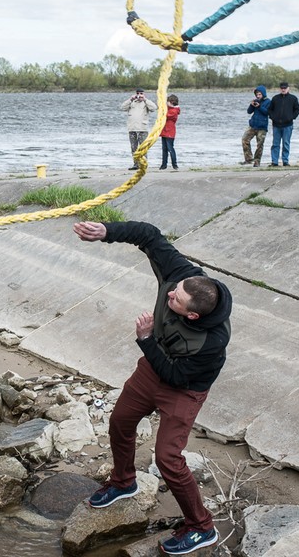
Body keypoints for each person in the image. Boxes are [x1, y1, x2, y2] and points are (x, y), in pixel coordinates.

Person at [73, 219, 232, 556]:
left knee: (168, 459)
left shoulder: (212, 342)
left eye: (176, 298)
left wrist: (146, 339)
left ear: (191, 316)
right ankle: (123, 482)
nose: (169, 292)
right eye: (174, 289)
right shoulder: (182, 275)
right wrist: (106, 232)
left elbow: (174, 376)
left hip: (184, 388)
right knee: (120, 422)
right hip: (151, 370)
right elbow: (149, 235)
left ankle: (202, 527)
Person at [121, 88, 158, 170]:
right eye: (138, 93)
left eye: (141, 93)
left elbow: (154, 108)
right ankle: (136, 164)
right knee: (134, 147)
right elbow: (122, 107)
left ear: (144, 94)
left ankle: (143, 164)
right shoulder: (132, 102)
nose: (139, 95)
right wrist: (130, 99)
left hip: (142, 129)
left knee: (143, 147)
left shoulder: (146, 102)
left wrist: (145, 100)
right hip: (132, 128)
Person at [268, 82, 299, 166]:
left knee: (286, 144)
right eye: (282, 88)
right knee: (275, 144)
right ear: (280, 89)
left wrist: (291, 117)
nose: (283, 89)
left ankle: (285, 161)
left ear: (288, 88)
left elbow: (297, 110)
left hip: (288, 125)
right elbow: (270, 109)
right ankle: (274, 161)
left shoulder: (293, 98)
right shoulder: (275, 98)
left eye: (285, 88)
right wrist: (273, 117)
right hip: (276, 125)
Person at [241, 86, 271, 167]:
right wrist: (251, 105)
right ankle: (248, 159)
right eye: (257, 94)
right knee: (244, 140)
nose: (258, 96)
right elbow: (249, 111)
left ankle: (257, 161)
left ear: (263, 94)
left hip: (262, 127)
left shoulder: (268, 102)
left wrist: (259, 106)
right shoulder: (255, 101)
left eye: (259, 94)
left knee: (259, 145)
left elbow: (267, 112)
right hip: (253, 125)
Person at [160, 95, 180, 171]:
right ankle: (164, 165)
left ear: (171, 102)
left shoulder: (174, 111)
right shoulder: (170, 109)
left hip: (170, 132)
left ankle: (174, 164)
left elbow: (166, 115)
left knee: (170, 148)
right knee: (164, 149)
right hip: (165, 131)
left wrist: (164, 108)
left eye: (168, 101)